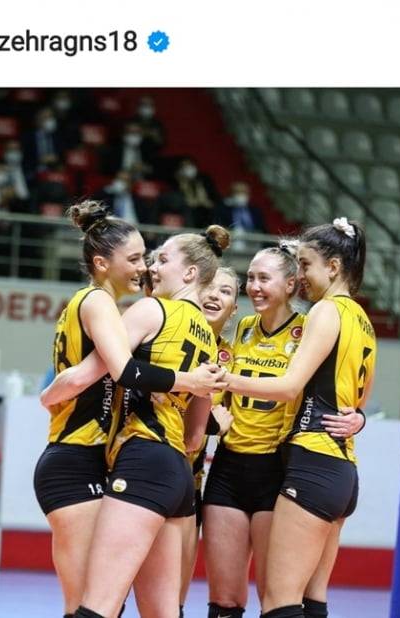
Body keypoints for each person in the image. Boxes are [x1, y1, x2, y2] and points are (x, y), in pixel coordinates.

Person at [36, 203, 226, 617]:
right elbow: (195, 436)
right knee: (134, 607)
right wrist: (191, 385)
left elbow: (95, 374)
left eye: (156, 259)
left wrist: (49, 394)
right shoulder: (209, 341)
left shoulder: (146, 309)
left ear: (190, 273)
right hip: (145, 465)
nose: (147, 268)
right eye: (138, 258)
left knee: (96, 606)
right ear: (102, 263)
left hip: (127, 455)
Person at [224, 218, 375, 618]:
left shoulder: (326, 311)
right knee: (313, 601)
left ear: (334, 267)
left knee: (279, 602)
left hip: (313, 461)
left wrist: (226, 380)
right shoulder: (363, 319)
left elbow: (290, 387)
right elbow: (358, 399)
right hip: (343, 468)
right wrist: (358, 419)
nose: (302, 275)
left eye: (306, 265)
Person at [202, 244, 305, 617]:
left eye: (264, 278)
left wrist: (355, 414)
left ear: (290, 284)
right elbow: (216, 393)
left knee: (275, 598)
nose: (255, 287)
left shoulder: (308, 331)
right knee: (224, 598)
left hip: (276, 471)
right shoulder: (243, 329)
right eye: (251, 278)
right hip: (228, 467)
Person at [180, 266, 239, 617]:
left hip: (190, 483)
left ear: (234, 310)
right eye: (210, 286)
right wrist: (210, 425)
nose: (215, 295)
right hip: (142, 469)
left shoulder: (232, 359)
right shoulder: (170, 331)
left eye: (226, 291)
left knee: (172, 599)